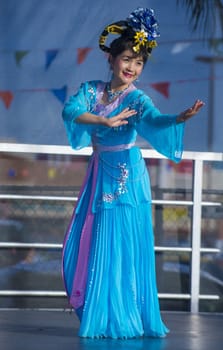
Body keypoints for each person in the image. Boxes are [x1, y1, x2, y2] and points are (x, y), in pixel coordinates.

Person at [62, 7, 204, 339]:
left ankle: (127, 318)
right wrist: (103, 121)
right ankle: (102, 316)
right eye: (126, 58)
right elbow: (71, 110)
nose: (132, 67)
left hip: (128, 178)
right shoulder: (92, 91)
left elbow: (154, 120)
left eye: (138, 63)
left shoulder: (137, 99)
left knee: (125, 247)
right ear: (111, 59)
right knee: (99, 245)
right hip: (100, 176)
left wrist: (177, 119)